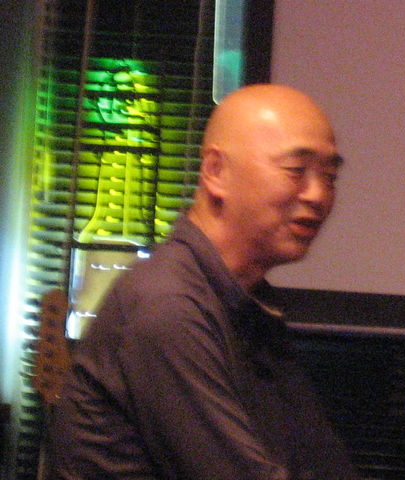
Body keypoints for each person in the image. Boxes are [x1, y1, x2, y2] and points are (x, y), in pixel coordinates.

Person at [49, 84, 360, 480]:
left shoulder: (243, 301)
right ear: (216, 171)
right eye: (296, 171)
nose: (318, 195)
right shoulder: (168, 306)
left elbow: (321, 460)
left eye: (329, 176)